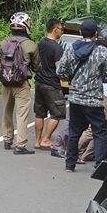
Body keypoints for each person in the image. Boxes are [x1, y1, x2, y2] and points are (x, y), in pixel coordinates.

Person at [57, 17, 107, 173]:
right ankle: (100, 165)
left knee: (74, 130)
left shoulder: (71, 49)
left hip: (75, 98)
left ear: (81, 32)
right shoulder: (101, 52)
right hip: (94, 100)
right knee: (100, 132)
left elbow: (60, 72)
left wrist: (72, 78)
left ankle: (70, 164)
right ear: (96, 34)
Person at [0, 12, 40, 153]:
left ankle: (7, 140)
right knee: (21, 114)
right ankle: (20, 145)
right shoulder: (31, 45)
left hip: (5, 83)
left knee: (7, 111)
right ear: (27, 26)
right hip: (21, 84)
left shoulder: (3, 43)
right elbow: (37, 66)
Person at [34, 17, 66, 148]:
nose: (62, 31)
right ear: (55, 29)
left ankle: (37, 141)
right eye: (61, 28)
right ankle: (46, 139)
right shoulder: (57, 47)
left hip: (39, 82)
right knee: (57, 113)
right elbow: (60, 69)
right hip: (52, 84)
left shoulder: (40, 43)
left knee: (40, 113)